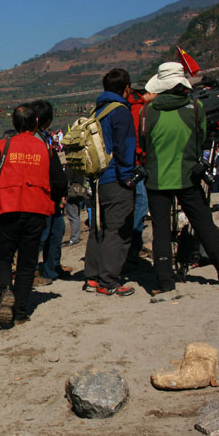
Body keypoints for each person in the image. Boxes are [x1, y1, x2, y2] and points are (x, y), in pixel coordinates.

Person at [140, 62, 219, 293]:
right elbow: (202, 140)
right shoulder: (195, 106)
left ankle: (164, 282)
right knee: (204, 224)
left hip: (156, 177)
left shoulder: (147, 111)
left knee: (160, 230)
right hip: (187, 176)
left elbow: (144, 143)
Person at [0, 104, 67, 329]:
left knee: (2, 257)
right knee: (27, 263)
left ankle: (6, 289)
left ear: (15, 124)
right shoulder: (46, 148)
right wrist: (53, 201)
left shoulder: (3, 146)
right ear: (36, 123)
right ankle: (21, 312)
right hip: (36, 210)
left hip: (8, 209)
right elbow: (60, 182)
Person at [83, 68, 137, 296]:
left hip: (97, 180)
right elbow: (125, 146)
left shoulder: (97, 111)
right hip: (116, 178)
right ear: (127, 88)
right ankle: (109, 281)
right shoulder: (121, 112)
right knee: (118, 230)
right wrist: (128, 176)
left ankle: (93, 278)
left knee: (99, 228)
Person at [31, 100, 70, 285]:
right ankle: (29, 273)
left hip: (54, 194)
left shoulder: (45, 137)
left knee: (56, 230)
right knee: (42, 234)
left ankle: (51, 269)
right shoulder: (35, 139)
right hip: (44, 194)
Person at [126, 79, 157, 264]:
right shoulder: (140, 110)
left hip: (129, 163)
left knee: (136, 204)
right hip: (138, 163)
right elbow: (140, 139)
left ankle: (132, 245)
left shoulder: (127, 107)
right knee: (142, 204)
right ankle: (132, 245)